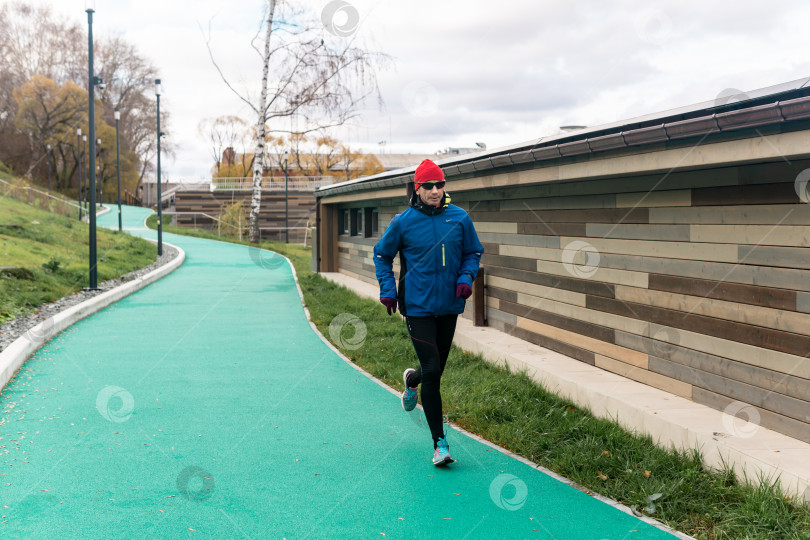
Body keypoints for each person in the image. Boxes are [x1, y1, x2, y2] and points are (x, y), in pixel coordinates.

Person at [373, 158, 484, 466]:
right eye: (429, 186)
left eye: (440, 185)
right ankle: (440, 444)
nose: (436, 191)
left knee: (434, 370)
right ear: (417, 189)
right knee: (433, 371)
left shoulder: (459, 218)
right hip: (418, 306)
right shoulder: (403, 222)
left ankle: (412, 381)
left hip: (449, 304)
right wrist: (388, 289)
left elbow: (473, 252)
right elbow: (382, 255)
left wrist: (466, 277)